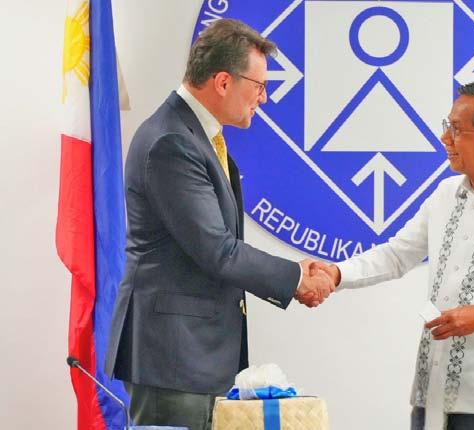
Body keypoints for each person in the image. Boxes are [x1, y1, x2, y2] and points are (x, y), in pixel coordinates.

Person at [105, 19, 333, 430]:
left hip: (194, 357)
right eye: (259, 85)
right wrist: (297, 277)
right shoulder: (172, 142)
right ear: (224, 82)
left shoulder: (195, 136)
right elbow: (218, 250)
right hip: (173, 359)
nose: (264, 97)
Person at [312, 81, 474, 429]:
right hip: (430, 394)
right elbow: (397, 254)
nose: (445, 138)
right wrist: (335, 274)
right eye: (447, 125)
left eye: (457, 129)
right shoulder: (445, 194)